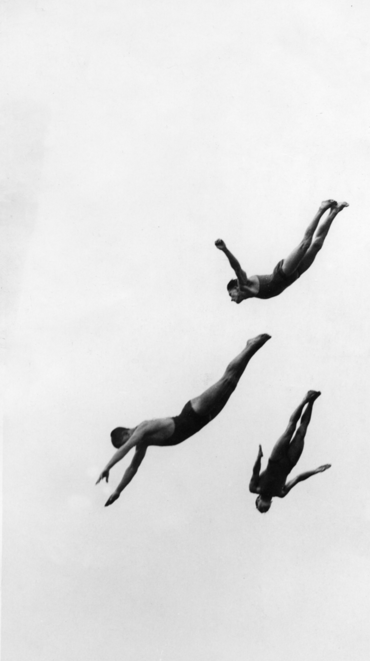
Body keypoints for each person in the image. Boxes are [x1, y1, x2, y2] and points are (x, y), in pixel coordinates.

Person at [96, 334, 271, 506]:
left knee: (227, 380)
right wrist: (118, 491)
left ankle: (250, 346)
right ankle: (250, 348)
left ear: (125, 434)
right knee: (232, 384)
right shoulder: (143, 443)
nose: (129, 445)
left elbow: (126, 448)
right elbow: (132, 468)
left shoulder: (143, 428)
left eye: (124, 442)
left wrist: (107, 467)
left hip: (193, 412)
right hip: (202, 421)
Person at [215, 199, 349, 304]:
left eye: (230, 294)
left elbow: (237, 268)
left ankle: (321, 209)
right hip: (294, 275)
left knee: (305, 244)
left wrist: (225, 249)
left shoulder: (244, 284)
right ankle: (334, 211)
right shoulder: (249, 293)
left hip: (282, 273)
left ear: (236, 288)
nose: (231, 299)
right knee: (316, 245)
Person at [250, 390, 331, 513]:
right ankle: (311, 402)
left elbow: (255, 472)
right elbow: (298, 478)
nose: (265, 508)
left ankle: (305, 400)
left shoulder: (254, 488)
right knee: (302, 432)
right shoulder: (280, 493)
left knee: (290, 428)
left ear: (258, 500)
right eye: (266, 509)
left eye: (261, 508)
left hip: (275, 459)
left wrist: (259, 457)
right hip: (289, 462)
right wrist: (315, 471)